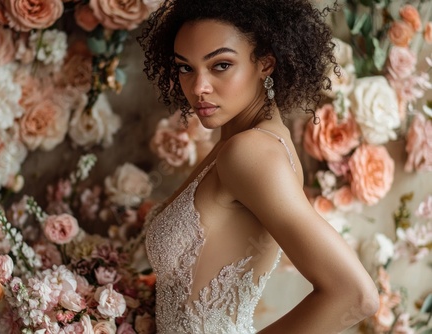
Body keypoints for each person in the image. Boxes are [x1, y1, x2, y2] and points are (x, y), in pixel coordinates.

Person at [137, 0, 379, 333]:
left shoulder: (250, 152)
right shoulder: (243, 142)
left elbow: (356, 295)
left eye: (220, 65)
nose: (198, 88)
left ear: (265, 63)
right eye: (185, 67)